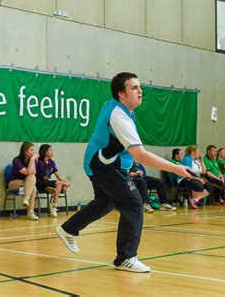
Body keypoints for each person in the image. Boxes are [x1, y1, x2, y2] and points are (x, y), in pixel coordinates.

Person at [55, 72, 192, 273]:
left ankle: (68, 229)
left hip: (98, 163)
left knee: (106, 201)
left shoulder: (119, 108)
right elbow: (140, 155)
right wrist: (176, 168)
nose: (140, 90)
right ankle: (126, 258)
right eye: (134, 88)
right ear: (121, 93)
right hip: (105, 166)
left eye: (139, 86)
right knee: (134, 203)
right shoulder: (119, 116)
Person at [36, 144, 71, 217]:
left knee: (67, 183)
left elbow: (58, 176)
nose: (52, 152)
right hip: (39, 182)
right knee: (59, 184)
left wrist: (64, 182)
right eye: (50, 150)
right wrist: (62, 184)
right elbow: (44, 177)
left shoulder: (52, 162)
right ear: (45, 152)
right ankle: (53, 206)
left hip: (47, 183)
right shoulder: (39, 162)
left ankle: (50, 190)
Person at [9, 142, 39, 220]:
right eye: (31, 150)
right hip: (14, 183)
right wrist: (33, 159)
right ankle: (28, 204)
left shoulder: (32, 160)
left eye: (33, 150)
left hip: (26, 182)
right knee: (32, 186)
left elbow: (33, 173)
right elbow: (28, 172)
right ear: (25, 151)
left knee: (33, 182)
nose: (33, 152)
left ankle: (29, 210)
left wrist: (32, 160)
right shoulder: (16, 160)